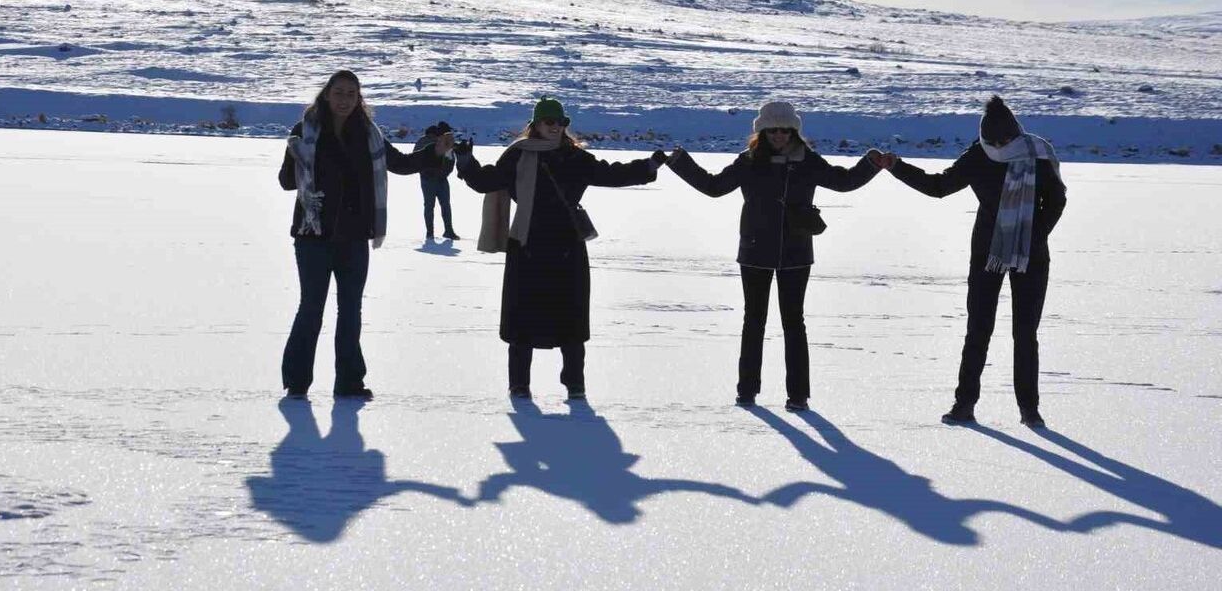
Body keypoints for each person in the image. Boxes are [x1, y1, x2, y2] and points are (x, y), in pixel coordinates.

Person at [666, 101, 882, 411]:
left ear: (794, 132)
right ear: (761, 132)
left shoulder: (807, 161)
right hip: (755, 251)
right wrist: (680, 163)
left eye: (784, 130)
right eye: (772, 130)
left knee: (794, 322)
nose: (778, 135)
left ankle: (798, 395)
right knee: (754, 321)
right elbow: (714, 187)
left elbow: (842, 181)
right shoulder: (750, 161)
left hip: (796, 253)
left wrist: (871, 164)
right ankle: (747, 390)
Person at [453, 97, 664, 400]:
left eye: (561, 122)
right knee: (522, 319)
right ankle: (519, 383)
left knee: (571, 319)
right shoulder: (518, 155)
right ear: (536, 124)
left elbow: (610, 174)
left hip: (567, 245)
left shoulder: (575, 157)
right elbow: (488, 181)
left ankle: (574, 383)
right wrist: (466, 162)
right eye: (549, 122)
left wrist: (647, 167)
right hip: (527, 243)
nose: (556, 127)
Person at [876, 95, 1066, 427]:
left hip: (1031, 255)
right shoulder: (979, 155)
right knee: (977, 328)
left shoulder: (1037, 152)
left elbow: (1056, 200)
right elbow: (939, 186)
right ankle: (964, 404)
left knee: (1025, 332)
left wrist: (1034, 236)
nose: (999, 146)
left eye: (1005, 140)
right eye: (993, 141)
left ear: (1016, 133)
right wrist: (897, 167)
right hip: (987, 253)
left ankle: (1029, 409)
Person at [278, 70, 453, 400]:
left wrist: (436, 152)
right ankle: (297, 383)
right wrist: (295, 155)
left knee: (350, 309)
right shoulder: (305, 131)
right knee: (311, 308)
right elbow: (287, 182)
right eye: (339, 93)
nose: (345, 100)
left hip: (355, 237)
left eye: (351, 94)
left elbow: (399, 164)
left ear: (359, 99)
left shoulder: (368, 134)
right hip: (312, 236)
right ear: (326, 95)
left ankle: (349, 383)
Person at [413, 121, 459, 240]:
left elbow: (450, 159)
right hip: (431, 179)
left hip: (436, 178)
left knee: (433, 206)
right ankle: (439, 232)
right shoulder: (427, 142)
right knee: (439, 206)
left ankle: (435, 232)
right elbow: (416, 159)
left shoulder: (442, 142)